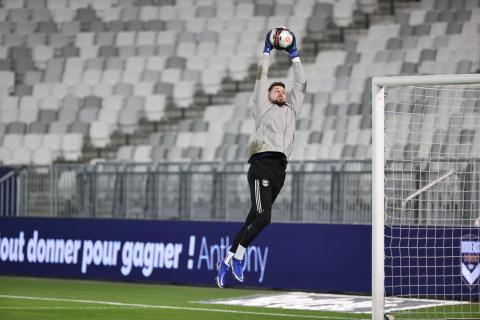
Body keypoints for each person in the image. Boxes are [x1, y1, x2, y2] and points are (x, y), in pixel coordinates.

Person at [216, 29, 306, 288]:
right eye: (275, 90)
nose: (280, 92)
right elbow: (261, 76)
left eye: (282, 90)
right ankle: (238, 257)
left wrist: (294, 55)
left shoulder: (290, 109)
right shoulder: (262, 107)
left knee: (254, 217)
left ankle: (226, 259)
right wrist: (267, 50)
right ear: (266, 96)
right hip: (261, 165)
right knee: (264, 218)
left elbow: (301, 85)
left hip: (279, 169)